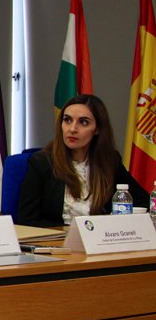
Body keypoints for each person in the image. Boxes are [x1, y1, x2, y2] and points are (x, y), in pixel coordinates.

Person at [18, 95, 148, 227]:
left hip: (99, 241)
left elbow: (144, 202)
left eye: (83, 122)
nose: (72, 129)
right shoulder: (42, 163)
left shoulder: (109, 161)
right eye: (67, 120)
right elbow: (27, 221)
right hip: (57, 242)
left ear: (97, 129)